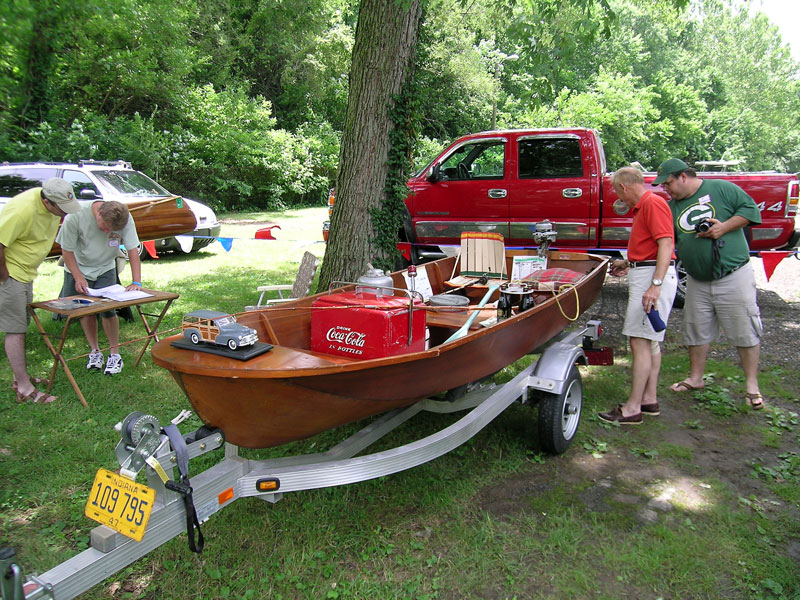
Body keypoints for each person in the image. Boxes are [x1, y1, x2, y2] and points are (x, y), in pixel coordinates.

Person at [653, 158, 765, 410]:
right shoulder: (671, 207)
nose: (665, 189)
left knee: (744, 328)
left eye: (668, 183)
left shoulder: (720, 188)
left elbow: (751, 211)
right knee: (696, 328)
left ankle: (751, 385)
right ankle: (695, 378)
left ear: (683, 176)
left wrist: (723, 227)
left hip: (733, 274)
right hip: (697, 278)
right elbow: (664, 240)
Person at [599, 167, 678, 424]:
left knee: (639, 342)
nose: (617, 197)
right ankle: (649, 399)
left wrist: (655, 285)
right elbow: (651, 246)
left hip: (652, 278)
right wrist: (628, 263)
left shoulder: (652, 203)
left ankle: (632, 408)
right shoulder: (645, 206)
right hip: (646, 272)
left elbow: (666, 243)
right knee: (650, 340)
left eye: (615, 191)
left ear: (623, 187)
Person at [0, 178, 82, 403]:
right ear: (47, 202)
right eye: (61, 210)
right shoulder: (21, 211)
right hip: (11, 274)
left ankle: (21, 378)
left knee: (21, 325)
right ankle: (24, 388)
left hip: (26, 273)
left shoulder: (51, 199)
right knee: (15, 329)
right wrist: (5, 278)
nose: (64, 214)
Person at [56, 200, 142, 375]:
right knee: (85, 310)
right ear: (99, 214)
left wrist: (136, 282)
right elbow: (67, 250)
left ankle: (114, 354)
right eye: (105, 227)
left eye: (112, 231)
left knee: (108, 310)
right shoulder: (75, 216)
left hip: (105, 267)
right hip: (77, 267)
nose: (107, 232)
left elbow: (133, 249)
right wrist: (78, 277)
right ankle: (95, 351)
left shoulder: (124, 217)